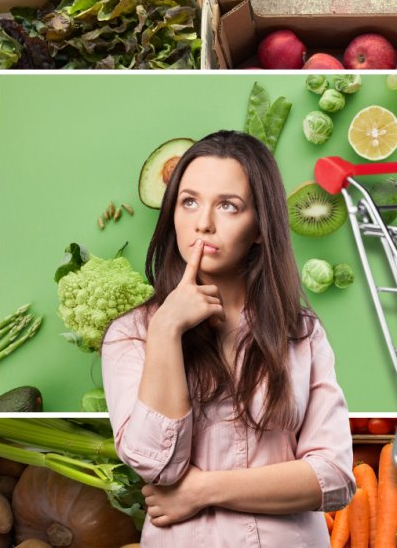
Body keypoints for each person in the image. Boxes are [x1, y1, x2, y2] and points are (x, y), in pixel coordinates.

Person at [101, 130, 355, 547]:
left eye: (228, 206)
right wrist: (166, 331)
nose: (203, 222)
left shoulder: (301, 332)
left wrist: (202, 491)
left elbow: (333, 478)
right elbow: (156, 467)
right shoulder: (132, 335)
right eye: (189, 201)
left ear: (259, 227)